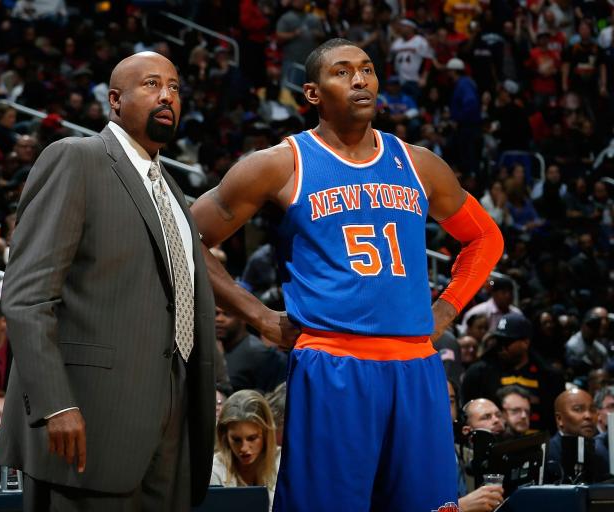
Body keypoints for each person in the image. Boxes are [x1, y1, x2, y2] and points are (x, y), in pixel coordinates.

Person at [191, 38, 503, 512]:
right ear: (313, 93)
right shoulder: (281, 163)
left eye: (367, 69)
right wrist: (258, 316)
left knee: (431, 506)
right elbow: (185, 235)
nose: (360, 80)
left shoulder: (418, 163)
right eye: (343, 71)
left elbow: (485, 237)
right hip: (333, 362)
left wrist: (448, 307)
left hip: (416, 365)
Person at [0, 51, 216, 512]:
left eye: (174, 87)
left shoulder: (170, 188)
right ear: (115, 100)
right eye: (152, 84)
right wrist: (55, 404)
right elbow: (26, 297)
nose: (167, 96)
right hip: (89, 418)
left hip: (171, 418)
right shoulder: (77, 158)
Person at [461, 313, 564, 433]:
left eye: (507, 342)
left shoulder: (549, 377)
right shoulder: (478, 373)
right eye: (498, 340)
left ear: (525, 342)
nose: (501, 347)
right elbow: (469, 415)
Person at [210, 389, 280, 509]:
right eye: (236, 440)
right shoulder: (215, 470)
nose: (244, 448)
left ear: (266, 433)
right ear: (225, 436)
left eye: (252, 438)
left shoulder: (283, 462)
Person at [215, 305, 287, 393]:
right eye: (216, 314)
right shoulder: (219, 350)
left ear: (243, 318)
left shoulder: (258, 353)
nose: (219, 319)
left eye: (227, 314)